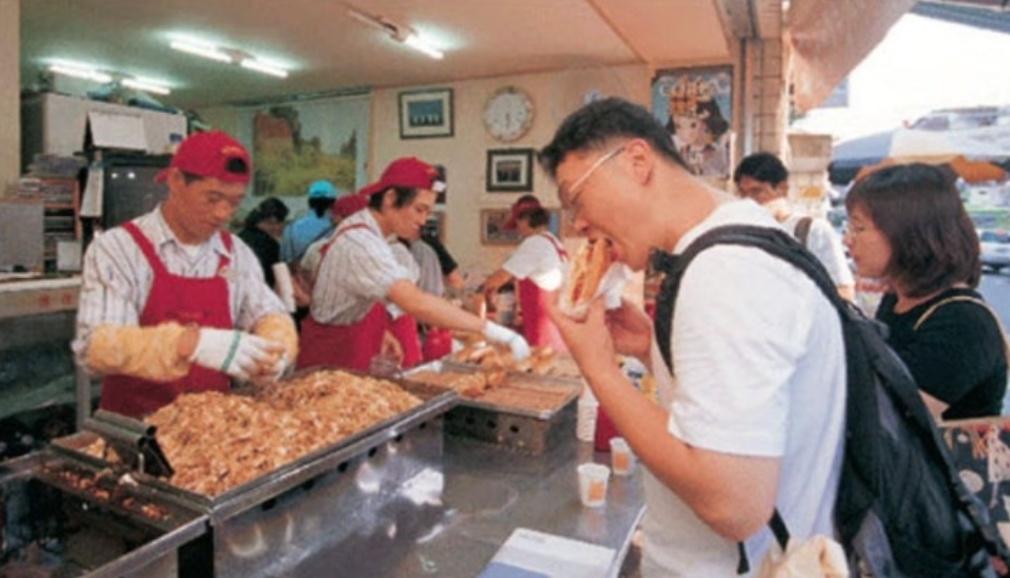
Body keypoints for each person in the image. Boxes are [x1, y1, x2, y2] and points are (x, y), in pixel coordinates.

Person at [537, 98, 846, 577]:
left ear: (637, 161)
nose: (577, 222)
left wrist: (600, 370)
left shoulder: (725, 271)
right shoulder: (740, 242)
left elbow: (734, 504)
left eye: (576, 198)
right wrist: (652, 349)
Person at [73, 131, 299, 418]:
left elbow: (268, 313)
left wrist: (274, 352)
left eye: (234, 202)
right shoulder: (118, 248)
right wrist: (188, 344)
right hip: (136, 428)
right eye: (212, 198)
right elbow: (96, 347)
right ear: (176, 181)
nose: (222, 213)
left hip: (213, 425)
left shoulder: (236, 253)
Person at [297, 157, 530, 372]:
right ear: (390, 198)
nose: (423, 220)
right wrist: (490, 330)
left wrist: (382, 333)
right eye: (419, 209)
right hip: (328, 360)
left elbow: (353, 297)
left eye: (427, 212)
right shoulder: (361, 242)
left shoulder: (372, 233)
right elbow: (414, 301)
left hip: (349, 347)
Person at [843, 163, 1007, 420]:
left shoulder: (962, 322)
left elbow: (891, 416)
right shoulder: (896, 299)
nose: (847, 240)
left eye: (859, 228)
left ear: (907, 232)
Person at [733, 152, 855, 301]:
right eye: (742, 194)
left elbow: (844, 290)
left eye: (757, 192)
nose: (749, 201)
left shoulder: (812, 230)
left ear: (782, 188)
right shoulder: (742, 233)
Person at [482, 195, 569, 350]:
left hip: (543, 325)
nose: (517, 229)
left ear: (527, 219)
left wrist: (481, 290)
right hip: (556, 319)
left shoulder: (534, 243)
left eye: (517, 223)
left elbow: (501, 277)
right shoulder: (553, 241)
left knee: (540, 360)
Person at [665, 77, 730, 177]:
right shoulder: (679, 154)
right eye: (678, 126)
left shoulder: (714, 154)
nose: (685, 132)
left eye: (693, 125)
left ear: (705, 123)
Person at [280, 179, 340, 266]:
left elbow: (285, 259)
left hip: (298, 274)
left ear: (309, 202)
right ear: (333, 202)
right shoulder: (338, 228)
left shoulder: (290, 228)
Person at [238, 196, 289, 288]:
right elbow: (281, 281)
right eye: (282, 221)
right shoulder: (270, 246)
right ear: (272, 220)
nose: (282, 226)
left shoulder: (239, 237)